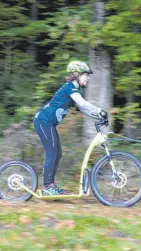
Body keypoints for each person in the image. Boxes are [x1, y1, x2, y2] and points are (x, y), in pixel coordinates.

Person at [33, 61, 107, 195]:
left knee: (58, 153)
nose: (88, 78)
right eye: (86, 75)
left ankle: (51, 185)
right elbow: (83, 104)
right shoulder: (69, 88)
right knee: (52, 152)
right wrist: (100, 111)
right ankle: (47, 187)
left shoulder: (75, 92)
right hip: (43, 121)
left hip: (48, 124)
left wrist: (98, 116)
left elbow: (84, 109)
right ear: (76, 74)